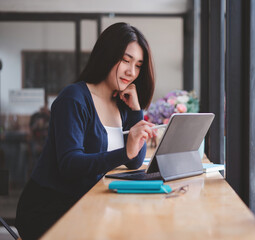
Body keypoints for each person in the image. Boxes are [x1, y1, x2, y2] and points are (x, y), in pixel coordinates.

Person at [15, 22, 155, 240]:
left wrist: (137, 111)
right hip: (51, 209)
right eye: (126, 60)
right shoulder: (74, 98)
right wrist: (123, 153)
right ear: (107, 55)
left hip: (86, 202)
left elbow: (134, 161)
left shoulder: (122, 102)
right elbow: (70, 164)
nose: (131, 71)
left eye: (138, 65)